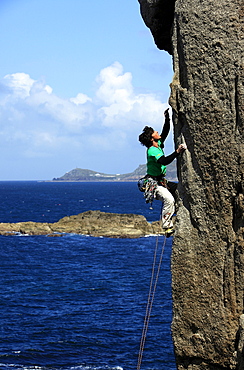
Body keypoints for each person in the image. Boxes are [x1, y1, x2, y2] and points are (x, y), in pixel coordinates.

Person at [138, 108, 186, 236]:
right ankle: (167, 226)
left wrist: (167, 118)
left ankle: (175, 212)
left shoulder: (157, 144)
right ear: (151, 138)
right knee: (169, 199)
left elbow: (165, 132)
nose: (157, 132)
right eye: (154, 132)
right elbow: (164, 161)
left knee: (179, 190)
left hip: (160, 181)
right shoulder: (152, 151)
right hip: (154, 183)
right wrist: (177, 152)